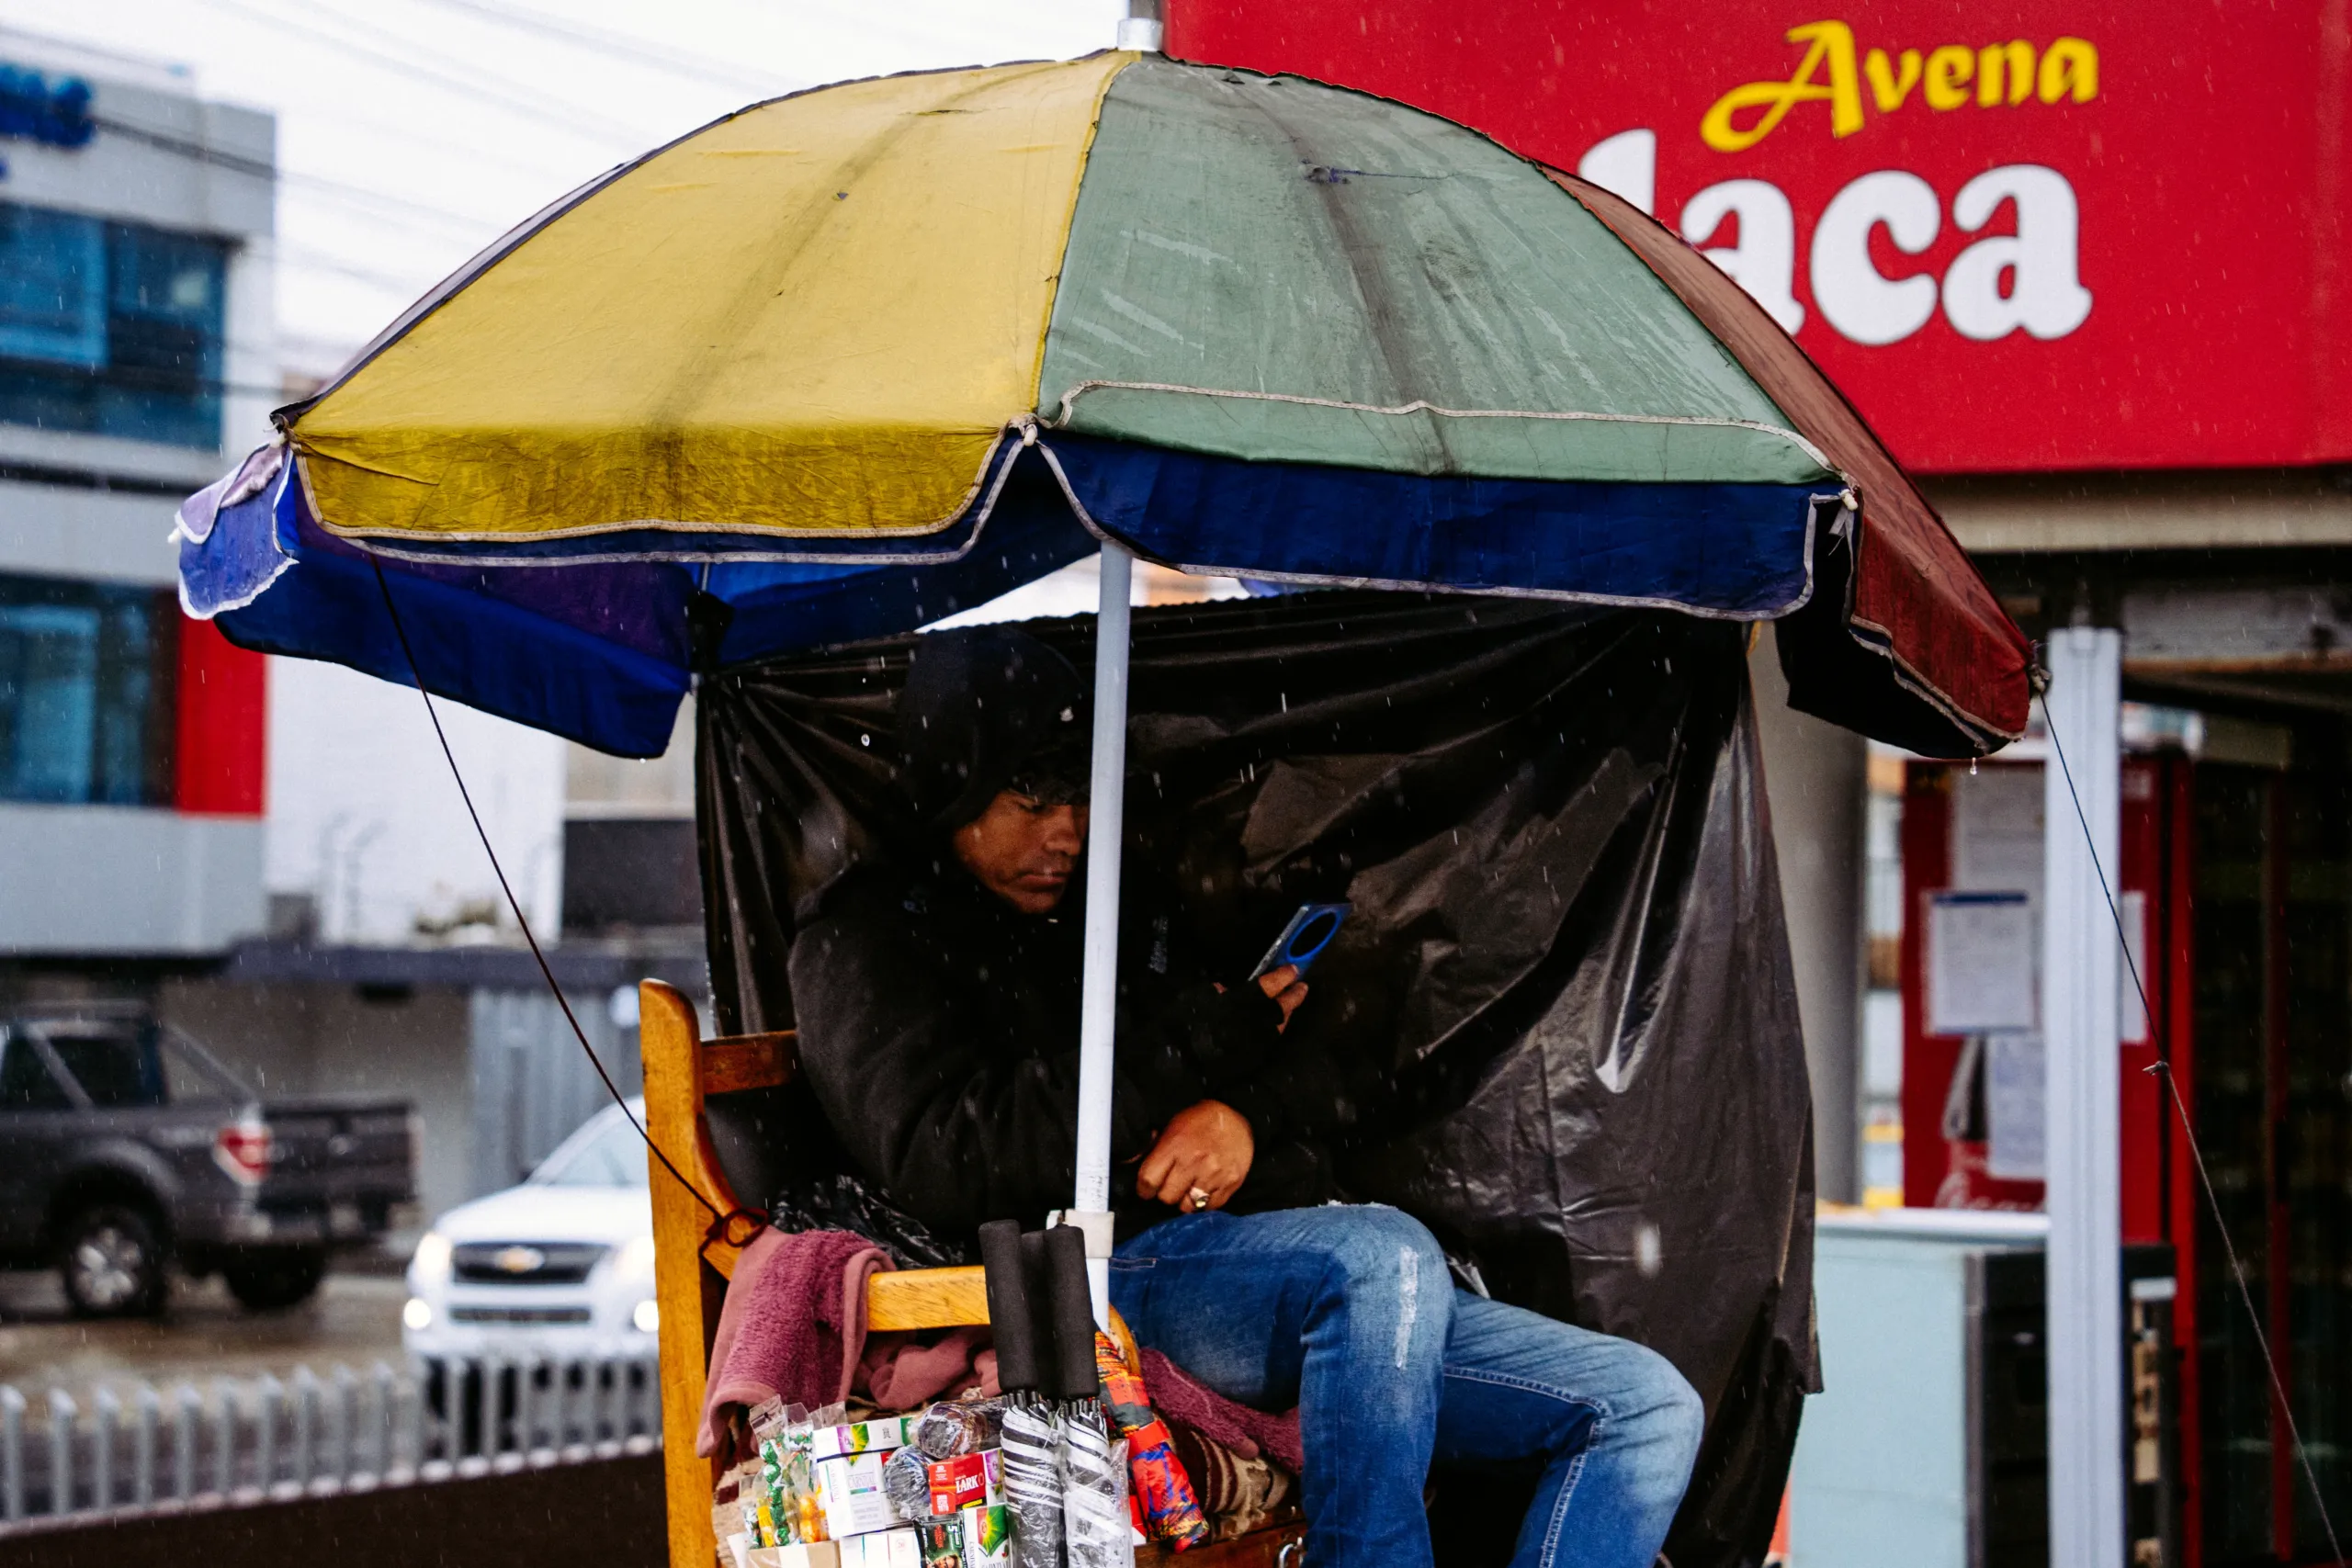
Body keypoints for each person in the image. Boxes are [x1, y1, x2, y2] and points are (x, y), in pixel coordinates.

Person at [790, 626, 1704, 1568]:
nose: (1065, 831)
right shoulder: (863, 940)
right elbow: (951, 1161)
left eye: (1078, 796)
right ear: (953, 778)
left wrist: (1244, 1122)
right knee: (1380, 1258)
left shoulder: (1108, 904)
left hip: (1269, 1258)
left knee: (1643, 1408)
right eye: (1031, 796)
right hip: (1095, 1274)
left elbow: (1321, 1059)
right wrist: (1190, 1047)